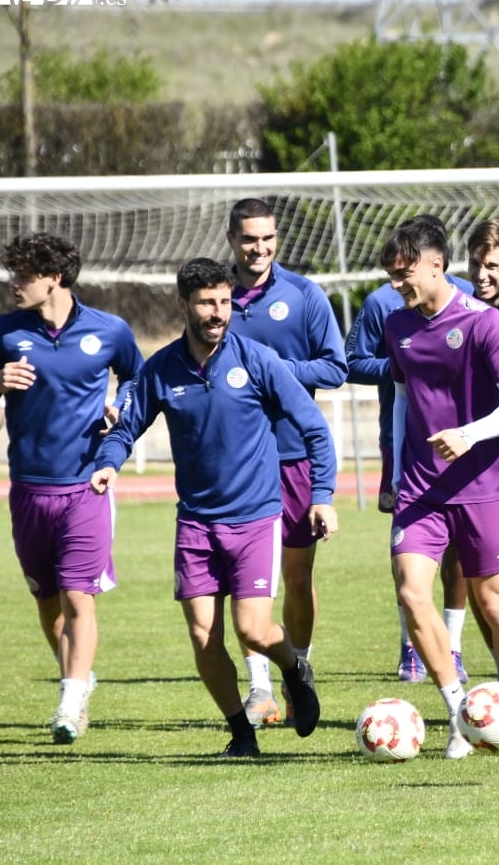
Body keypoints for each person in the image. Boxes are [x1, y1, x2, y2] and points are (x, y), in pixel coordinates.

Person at [89, 257, 335, 757]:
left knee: (252, 629)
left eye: (224, 301)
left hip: (255, 519)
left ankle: (293, 669)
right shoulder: (161, 368)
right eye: (206, 302)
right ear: (184, 305)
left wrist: (323, 496)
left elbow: (314, 428)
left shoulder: (258, 360)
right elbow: (126, 426)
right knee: (204, 637)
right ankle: (241, 735)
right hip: (196, 522)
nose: (217, 311)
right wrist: (109, 461)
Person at [0, 232, 143, 744]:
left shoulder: (110, 330)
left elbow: (138, 380)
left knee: (80, 596)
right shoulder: (5, 333)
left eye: (23, 275)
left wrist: (120, 407)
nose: (13, 284)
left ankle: (70, 701)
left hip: (86, 486)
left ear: (54, 278)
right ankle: (78, 679)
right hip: (28, 490)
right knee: (47, 600)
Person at [381, 217, 499, 760]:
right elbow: (404, 400)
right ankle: (460, 714)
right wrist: (394, 466)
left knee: (496, 607)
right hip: (420, 489)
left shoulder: (485, 324)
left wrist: (469, 434)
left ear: (436, 264)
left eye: (405, 274)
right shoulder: (397, 326)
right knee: (411, 594)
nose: (398, 285)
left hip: (481, 487)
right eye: (391, 276)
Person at [223, 197, 348, 727]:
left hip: (295, 455)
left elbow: (336, 367)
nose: (260, 247)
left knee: (296, 577)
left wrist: (273, 370)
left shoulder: (304, 294)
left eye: (268, 237)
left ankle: (300, 668)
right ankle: (258, 688)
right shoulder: (215, 298)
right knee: (248, 581)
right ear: (232, 239)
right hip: (237, 461)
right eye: (250, 238)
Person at [345, 215, 475, 684]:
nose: (402, 279)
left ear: (435, 261)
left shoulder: (466, 298)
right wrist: (408, 364)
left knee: (459, 552)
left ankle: (453, 646)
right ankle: (410, 646)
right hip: (404, 443)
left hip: (464, 449)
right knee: (408, 548)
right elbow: (352, 361)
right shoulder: (382, 302)